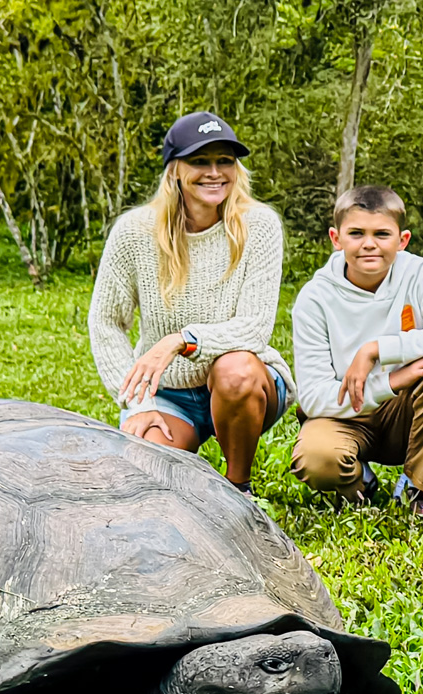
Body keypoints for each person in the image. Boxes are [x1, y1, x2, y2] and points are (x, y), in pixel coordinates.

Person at [89, 112, 293, 495]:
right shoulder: (134, 232)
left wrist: (181, 340)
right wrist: (139, 402)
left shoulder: (260, 226)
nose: (214, 172)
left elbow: (254, 328)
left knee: (235, 370)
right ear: (175, 170)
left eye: (225, 161)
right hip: (168, 392)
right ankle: (184, 464)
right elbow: (106, 323)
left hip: (245, 384)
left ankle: (238, 490)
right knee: (144, 472)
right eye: (200, 161)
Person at [290, 185, 423, 514]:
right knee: (317, 458)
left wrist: (377, 350)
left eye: (382, 234)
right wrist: (393, 380)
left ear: (402, 240)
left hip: (404, 414)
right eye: (356, 233)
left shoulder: (418, 274)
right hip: (343, 413)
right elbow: (314, 397)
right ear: (336, 238)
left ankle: (414, 488)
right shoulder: (314, 298)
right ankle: (359, 484)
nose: (369, 244)